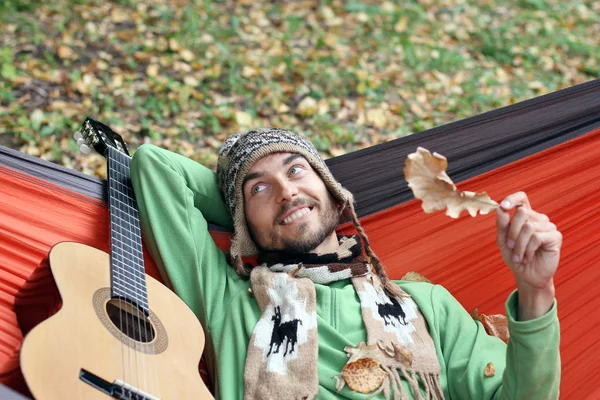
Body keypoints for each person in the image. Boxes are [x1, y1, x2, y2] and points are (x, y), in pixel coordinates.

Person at [130, 128, 561, 400]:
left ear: (336, 194)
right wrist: (244, 213)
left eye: (297, 171)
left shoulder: (426, 304)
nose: (286, 191)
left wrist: (535, 290)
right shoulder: (227, 300)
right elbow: (154, 166)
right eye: (259, 189)